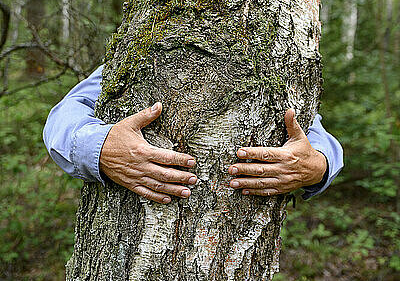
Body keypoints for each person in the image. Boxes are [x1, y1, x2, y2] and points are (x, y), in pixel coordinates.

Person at [43, 65, 344, 204]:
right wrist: (100, 147)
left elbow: (312, 131)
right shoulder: (145, 45)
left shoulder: (277, 61)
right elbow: (66, 112)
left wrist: (318, 165)